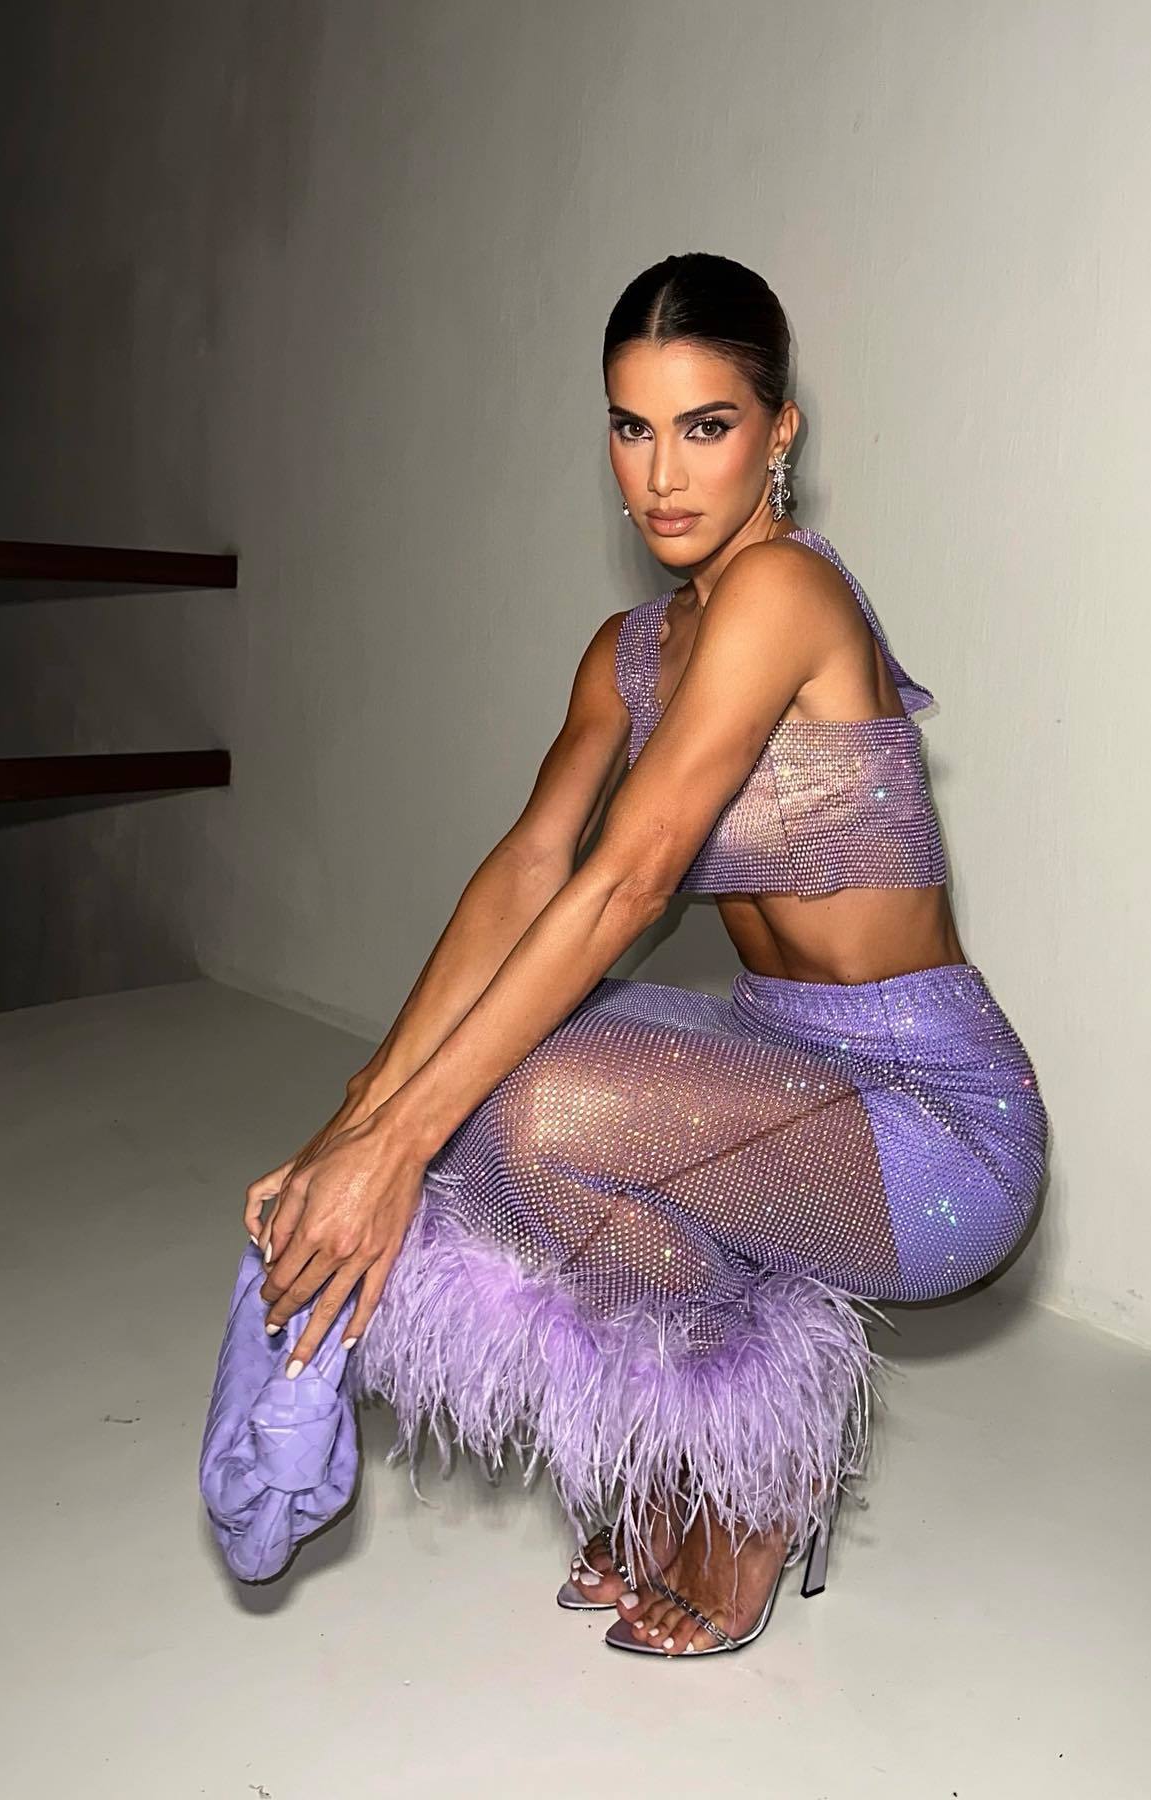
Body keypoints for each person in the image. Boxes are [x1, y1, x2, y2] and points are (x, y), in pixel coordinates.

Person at [241, 251, 1049, 1659]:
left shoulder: (785, 592)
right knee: (487, 1091)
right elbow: (529, 872)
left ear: (780, 431)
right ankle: (696, 1451)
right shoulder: (629, 649)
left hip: (931, 1122)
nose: (663, 475)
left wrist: (394, 1148)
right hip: (776, 1070)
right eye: (633, 427)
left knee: (530, 1095)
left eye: (706, 425)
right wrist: (354, 1126)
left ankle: (755, 1485)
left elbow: (627, 880)